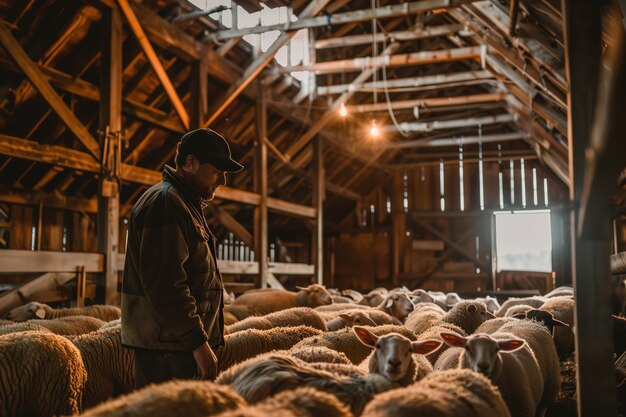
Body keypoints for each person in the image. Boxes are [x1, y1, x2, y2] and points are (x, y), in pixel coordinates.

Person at [120, 128, 243, 388]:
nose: (222, 180)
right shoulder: (166, 203)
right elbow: (166, 285)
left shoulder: (184, 203)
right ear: (191, 162)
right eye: (218, 171)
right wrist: (198, 344)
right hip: (169, 349)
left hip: (175, 342)